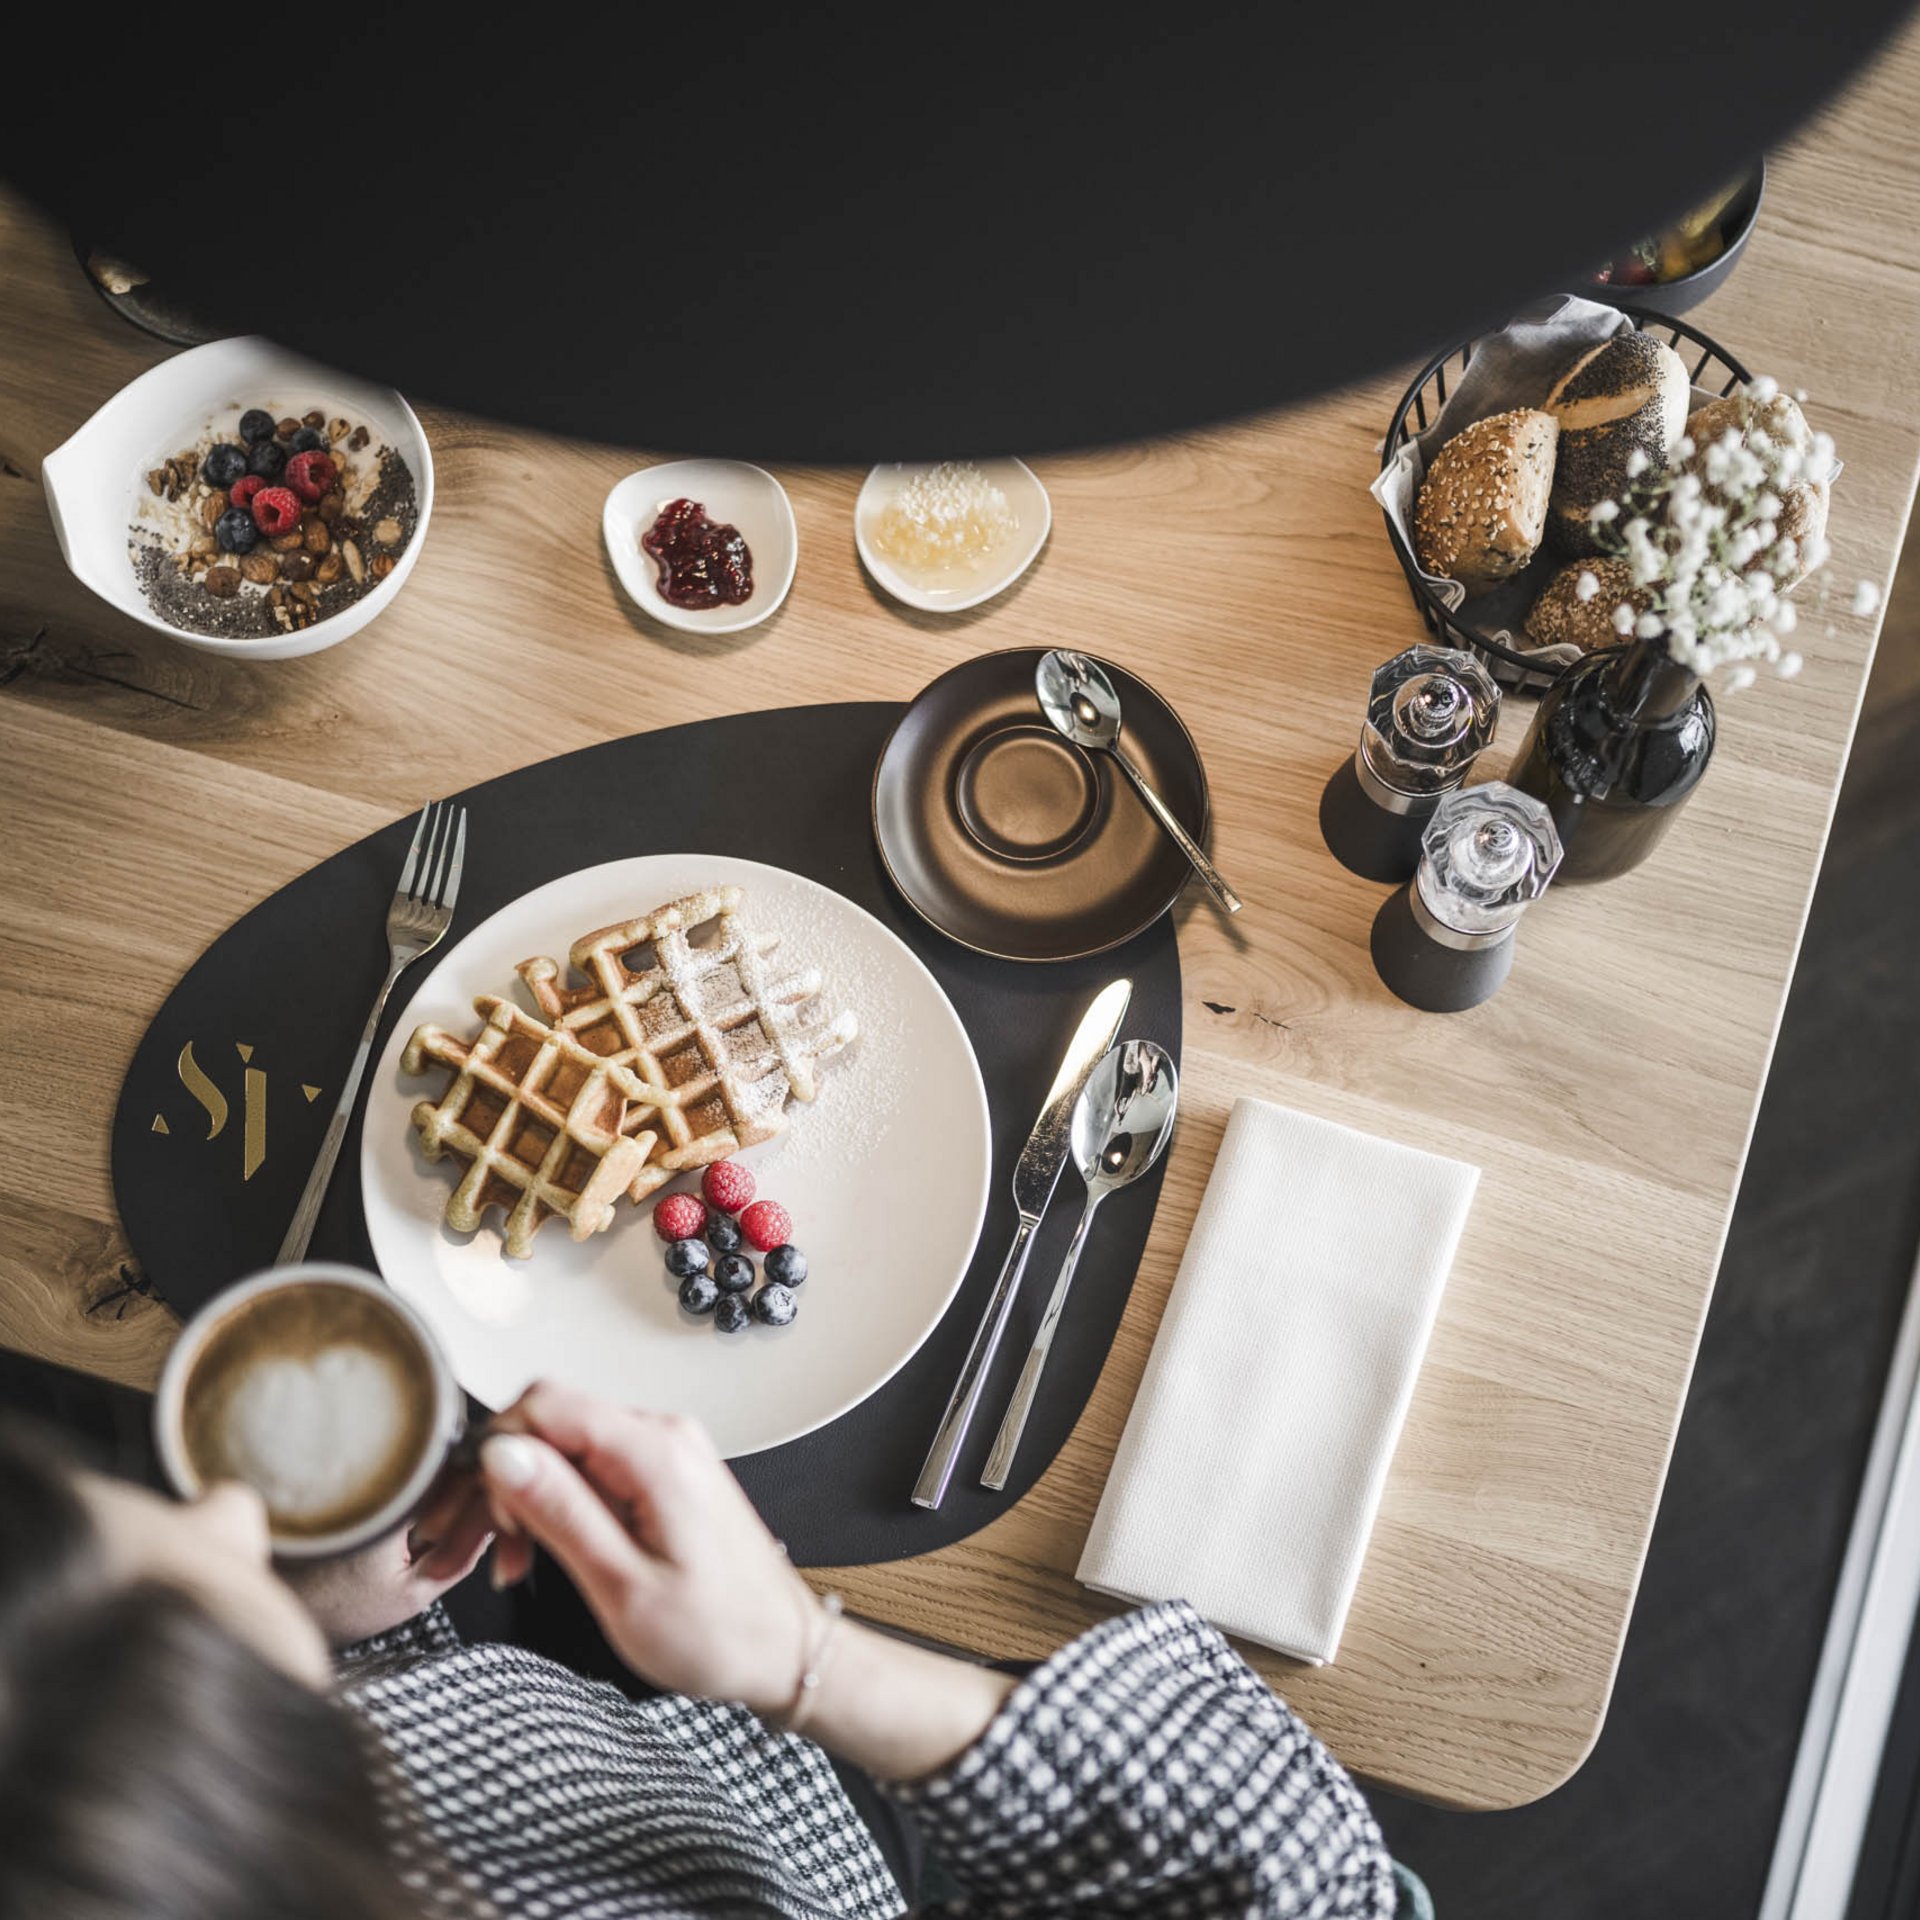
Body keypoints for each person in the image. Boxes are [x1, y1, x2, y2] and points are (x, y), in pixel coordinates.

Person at [0, 1381, 1398, 1918]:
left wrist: (307, 1642)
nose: (235, 1508)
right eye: (196, 1564)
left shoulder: (143, 1852)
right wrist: (803, 1655)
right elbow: (1320, 1892)